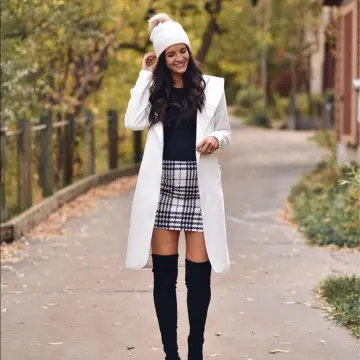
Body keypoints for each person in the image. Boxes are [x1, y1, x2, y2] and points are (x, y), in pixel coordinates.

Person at [124, 13, 231, 360]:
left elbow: (225, 130)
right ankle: (171, 353)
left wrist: (216, 137)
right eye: (170, 54)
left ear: (189, 50)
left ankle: (195, 347)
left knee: (198, 279)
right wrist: (143, 74)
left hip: (199, 188)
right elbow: (132, 121)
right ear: (162, 59)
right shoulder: (155, 90)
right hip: (164, 188)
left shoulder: (212, 87)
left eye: (182, 51)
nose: (179, 58)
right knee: (164, 278)